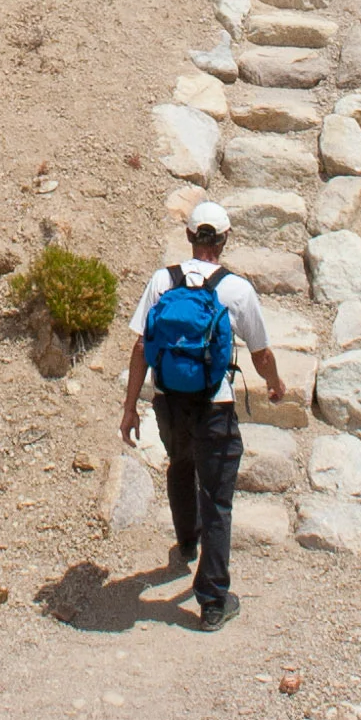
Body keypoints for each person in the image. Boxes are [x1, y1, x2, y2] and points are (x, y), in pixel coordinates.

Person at [118, 200, 284, 631]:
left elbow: (140, 347)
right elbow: (261, 352)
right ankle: (212, 602)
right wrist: (274, 383)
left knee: (180, 464)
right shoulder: (236, 289)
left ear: (190, 237)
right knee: (217, 497)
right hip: (216, 403)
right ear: (225, 239)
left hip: (169, 399)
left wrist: (130, 406)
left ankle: (186, 540)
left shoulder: (162, 279)